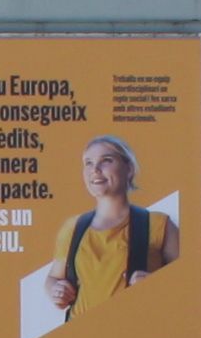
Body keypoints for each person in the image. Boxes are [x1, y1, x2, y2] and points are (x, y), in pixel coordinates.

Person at [53, 135, 183, 318]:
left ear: (129, 169)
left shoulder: (159, 225)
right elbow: (54, 278)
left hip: (133, 330)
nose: (95, 169)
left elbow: (191, 282)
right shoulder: (73, 227)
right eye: (88, 163)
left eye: (106, 160)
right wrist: (56, 290)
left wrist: (158, 286)